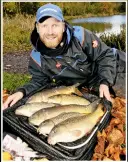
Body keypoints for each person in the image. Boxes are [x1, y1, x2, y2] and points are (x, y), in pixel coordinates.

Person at [3, 3, 125, 109]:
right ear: (37, 28)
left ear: (63, 26)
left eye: (55, 25)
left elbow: (105, 55)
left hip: (114, 63)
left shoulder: (80, 36)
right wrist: (21, 92)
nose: (50, 32)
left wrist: (105, 81)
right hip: (89, 82)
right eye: (44, 25)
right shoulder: (36, 58)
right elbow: (38, 82)